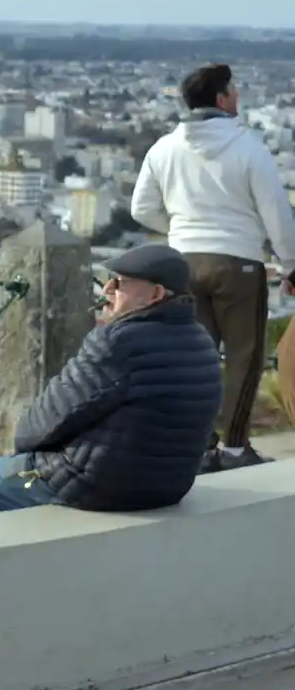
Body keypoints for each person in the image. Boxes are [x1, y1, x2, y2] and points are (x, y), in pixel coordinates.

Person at [0, 244, 221, 516]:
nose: (108, 289)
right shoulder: (202, 341)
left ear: (155, 294)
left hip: (98, 486)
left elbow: (40, 424)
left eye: (120, 283)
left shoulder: (116, 342)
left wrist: (23, 457)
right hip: (170, 486)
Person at [131, 63, 295, 470]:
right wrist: (290, 264)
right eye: (234, 90)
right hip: (238, 261)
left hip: (184, 261)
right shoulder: (248, 147)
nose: (238, 96)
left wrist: (182, 230)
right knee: (244, 355)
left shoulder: (164, 148)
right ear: (221, 99)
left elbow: (141, 208)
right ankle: (235, 449)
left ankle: (199, 447)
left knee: (196, 358)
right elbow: (276, 213)